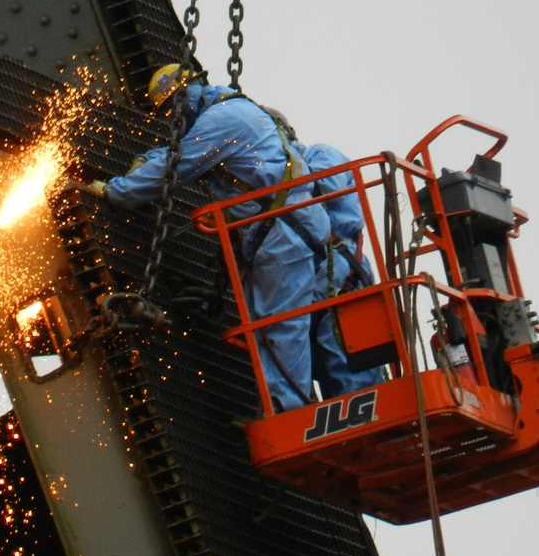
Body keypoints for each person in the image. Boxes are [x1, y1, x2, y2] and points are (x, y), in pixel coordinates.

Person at [87, 65, 330, 413]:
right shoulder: (222, 117)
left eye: (172, 106)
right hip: (276, 233)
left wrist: (118, 192)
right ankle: (283, 406)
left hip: (284, 232)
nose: (171, 117)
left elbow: (178, 166)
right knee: (267, 326)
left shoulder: (225, 117)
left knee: (280, 324)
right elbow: (185, 153)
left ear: (188, 94)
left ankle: (289, 412)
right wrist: (148, 158)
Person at [261, 107, 383, 398]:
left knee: (350, 362)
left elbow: (317, 191)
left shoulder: (321, 155)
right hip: (307, 273)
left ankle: (364, 418)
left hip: (339, 270)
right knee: (309, 356)